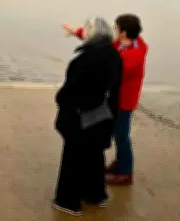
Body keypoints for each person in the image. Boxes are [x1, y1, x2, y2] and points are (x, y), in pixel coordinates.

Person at [62, 14, 149, 186]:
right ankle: (119, 163)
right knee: (117, 133)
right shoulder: (127, 43)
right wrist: (79, 32)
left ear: (123, 32)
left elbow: (108, 62)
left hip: (124, 101)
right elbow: (104, 43)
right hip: (116, 99)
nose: (113, 30)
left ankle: (125, 172)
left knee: (121, 135)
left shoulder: (133, 55)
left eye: (116, 28)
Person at [53, 17, 123, 216]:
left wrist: (60, 99)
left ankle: (68, 201)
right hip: (104, 117)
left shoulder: (82, 61)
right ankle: (95, 195)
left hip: (79, 118)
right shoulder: (114, 57)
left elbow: (70, 93)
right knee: (94, 156)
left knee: (72, 158)